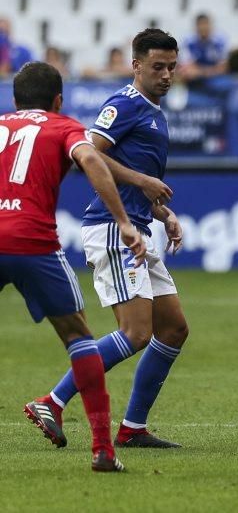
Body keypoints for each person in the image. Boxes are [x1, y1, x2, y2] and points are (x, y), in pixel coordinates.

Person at [26, 28, 188, 450]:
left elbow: (139, 182)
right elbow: (89, 153)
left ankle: (133, 428)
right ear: (135, 65)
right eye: (157, 67)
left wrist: (162, 211)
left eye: (172, 66)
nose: (167, 74)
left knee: (172, 330)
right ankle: (53, 400)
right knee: (135, 333)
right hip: (115, 230)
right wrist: (142, 181)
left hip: (140, 227)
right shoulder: (125, 104)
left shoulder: (155, 109)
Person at [2, 62, 146, 471]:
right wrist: (122, 220)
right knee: (79, 337)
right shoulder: (63, 126)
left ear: (15, 100)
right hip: (33, 241)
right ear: (58, 100)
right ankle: (102, 449)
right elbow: (92, 160)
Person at [181, 13, 227, 81]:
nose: (203, 27)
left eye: (206, 24)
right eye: (200, 24)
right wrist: (209, 71)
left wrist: (203, 72)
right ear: (196, 27)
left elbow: (224, 67)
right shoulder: (188, 42)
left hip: (217, 79)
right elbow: (187, 69)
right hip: (196, 81)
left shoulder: (221, 41)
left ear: (211, 26)